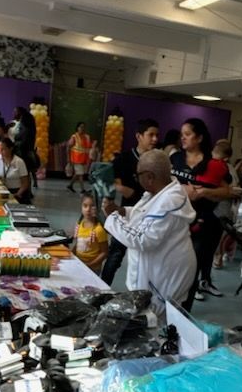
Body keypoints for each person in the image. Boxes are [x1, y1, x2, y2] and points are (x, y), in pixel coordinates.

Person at [103, 149, 196, 313]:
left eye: (138, 175)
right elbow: (143, 215)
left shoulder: (170, 201)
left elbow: (142, 239)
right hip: (156, 274)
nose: (137, 179)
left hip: (163, 280)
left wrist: (113, 218)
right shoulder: (159, 192)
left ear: (150, 177)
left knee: (155, 325)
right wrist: (122, 211)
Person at [170, 118, 233, 303]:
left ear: (199, 138)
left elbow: (226, 191)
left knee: (191, 269)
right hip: (175, 219)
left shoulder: (213, 164)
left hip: (201, 223)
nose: (183, 138)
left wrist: (205, 191)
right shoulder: (176, 158)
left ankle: (184, 310)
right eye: (182, 135)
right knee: (171, 267)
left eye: (187, 134)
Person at [100, 117, 160, 286]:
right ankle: (103, 290)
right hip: (127, 214)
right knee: (115, 256)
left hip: (152, 216)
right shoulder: (125, 158)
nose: (155, 139)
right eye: (151, 135)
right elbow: (104, 177)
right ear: (139, 136)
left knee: (147, 261)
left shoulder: (158, 160)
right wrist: (121, 188)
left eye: (157, 135)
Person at [212, 139, 240, 270]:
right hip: (213, 206)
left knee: (220, 234)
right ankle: (216, 256)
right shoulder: (210, 164)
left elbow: (234, 190)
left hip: (223, 206)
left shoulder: (229, 170)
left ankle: (218, 256)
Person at [72, 192, 108, 275]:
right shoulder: (80, 225)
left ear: (98, 208)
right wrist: (71, 254)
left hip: (93, 269)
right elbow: (78, 244)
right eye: (85, 206)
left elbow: (104, 252)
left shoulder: (99, 230)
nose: (88, 209)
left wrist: (89, 265)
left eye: (92, 206)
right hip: (79, 265)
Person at [0, 137, 31, 202]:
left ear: (10, 148)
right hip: (0, 191)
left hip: (15, 192)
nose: (0, 151)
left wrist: (18, 194)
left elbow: (25, 183)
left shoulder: (19, 162)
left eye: (3, 149)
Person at [12, 106, 38, 187]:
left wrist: (15, 142)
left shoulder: (24, 127)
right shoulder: (30, 126)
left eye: (16, 112)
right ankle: (29, 191)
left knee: (24, 173)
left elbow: (22, 139)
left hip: (22, 151)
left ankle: (27, 192)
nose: (14, 114)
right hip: (28, 150)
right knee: (27, 172)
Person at [67, 121, 93, 194]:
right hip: (76, 159)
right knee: (81, 174)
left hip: (83, 159)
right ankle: (82, 190)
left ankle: (70, 185)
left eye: (83, 127)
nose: (82, 128)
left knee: (78, 173)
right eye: (80, 127)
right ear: (77, 128)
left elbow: (89, 147)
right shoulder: (74, 137)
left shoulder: (86, 137)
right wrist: (69, 159)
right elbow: (69, 147)